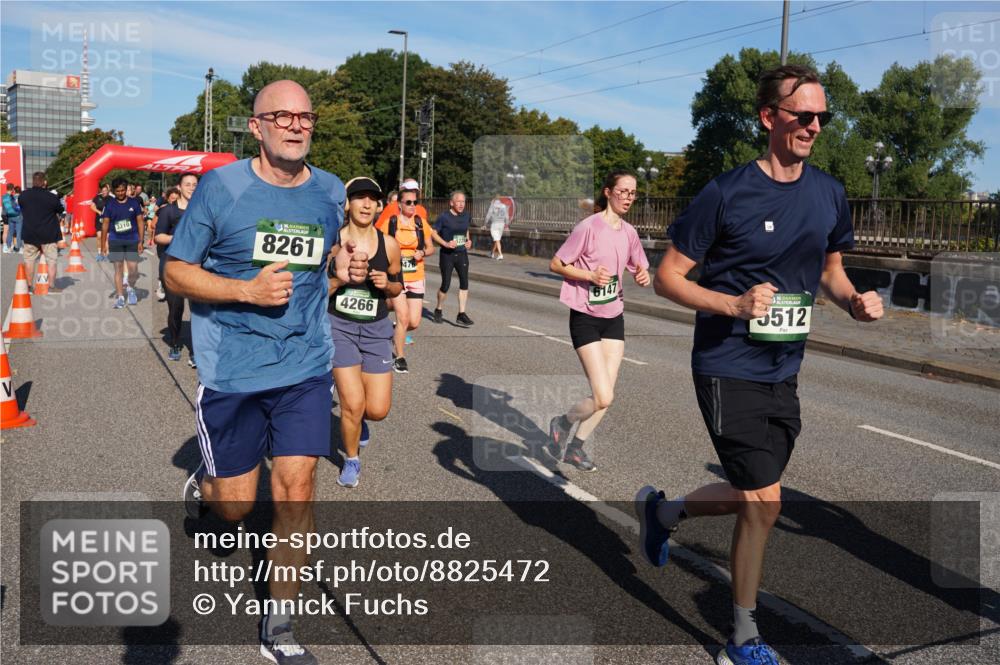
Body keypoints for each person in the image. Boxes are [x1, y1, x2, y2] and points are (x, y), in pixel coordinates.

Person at [636, 64, 884, 665]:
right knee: (765, 502)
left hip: (784, 366)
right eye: (804, 115)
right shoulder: (727, 193)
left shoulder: (828, 192)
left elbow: (829, 270)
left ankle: (663, 512)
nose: (815, 126)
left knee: (754, 492)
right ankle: (742, 636)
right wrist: (734, 304)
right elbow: (667, 277)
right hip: (727, 363)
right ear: (770, 117)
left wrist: (851, 300)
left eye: (823, 116)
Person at [165, 80, 342, 665]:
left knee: (296, 486)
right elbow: (175, 274)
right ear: (256, 126)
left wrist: (350, 270)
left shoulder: (331, 193)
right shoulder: (221, 188)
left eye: (305, 117)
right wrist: (245, 289)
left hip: (305, 365)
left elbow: (325, 268)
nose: (296, 125)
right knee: (236, 508)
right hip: (232, 370)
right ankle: (209, 486)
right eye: (281, 116)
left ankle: (281, 627)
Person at [545, 171, 650, 472]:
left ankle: (575, 448)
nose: (629, 197)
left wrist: (643, 274)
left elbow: (640, 266)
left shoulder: (629, 232)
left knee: (607, 397)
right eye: (624, 191)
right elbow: (556, 263)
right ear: (608, 192)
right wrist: (589, 275)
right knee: (602, 394)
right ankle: (562, 423)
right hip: (586, 317)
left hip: (614, 316)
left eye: (633, 193)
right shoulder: (587, 228)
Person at [328, 176, 402, 488]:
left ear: (379, 205)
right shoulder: (333, 242)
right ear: (348, 203)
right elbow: (319, 288)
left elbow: (400, 287)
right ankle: (351, 460)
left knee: (377, 409)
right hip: (339, 327)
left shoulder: (389, 244)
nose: (366, 203)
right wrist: (340, 278)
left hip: (377, 330)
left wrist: (388, 284)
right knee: (352, 404)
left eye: (372, 198)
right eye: (359, 197)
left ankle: (359, 423)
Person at [375, 185, 434, 373]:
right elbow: (378, 241)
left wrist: (422, 252)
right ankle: (400, 357)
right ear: (400, 204)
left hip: (416, 275)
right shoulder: (391, 222)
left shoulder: (420, 223)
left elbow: (431, 248)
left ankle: (390, 330)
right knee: (403, 316)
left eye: (415, 202)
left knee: (414, 322)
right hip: (397, 276)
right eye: (408, 202)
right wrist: (393, 255)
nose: (412, 205)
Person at [154, 178, 197, 364]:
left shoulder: (201, 210)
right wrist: (178, 238)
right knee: (176, 308)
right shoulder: (168, 211)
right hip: (172, 265)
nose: (192, 188)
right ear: (179, 187)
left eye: (195, 185)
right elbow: (158, 237)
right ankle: (175, 342)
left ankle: (196, 351)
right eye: (188, 184)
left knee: (199, 310)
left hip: (195, 266)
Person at [430, 190, 474, 325]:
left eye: (463, 202)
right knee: (446, 284)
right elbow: (433, 233)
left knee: (464, 283)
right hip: (447, 255)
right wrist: (445, 243)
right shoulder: (444, 217)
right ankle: (438, 308)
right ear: (451, 203)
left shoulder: (466, 215)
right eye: (458, 202)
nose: (461, 204)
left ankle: (461, 313)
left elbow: (466, 229)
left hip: (462, 254)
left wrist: (468, 241)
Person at [101, 177, 144, 309]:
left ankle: (130, 288)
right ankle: (120, 296)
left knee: (133, 269)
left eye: (123, 190)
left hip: (132, 239)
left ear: (126, 190)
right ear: (114, 191)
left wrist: (141, 241)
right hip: (115, 240)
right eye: (118, 191)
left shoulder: (134, 203)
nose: (120, 193)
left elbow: (140, 222)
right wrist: (103, 244)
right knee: (118, 269)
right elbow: (105, 225)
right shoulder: (109, 205)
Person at [18, 173, 64, 293]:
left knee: (29, 260)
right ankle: (52, 286)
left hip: (30, 233)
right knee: (51, 260)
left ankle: (28, 286)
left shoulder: (23, 196)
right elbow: (60, 209)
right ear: (45, 182)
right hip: (49, 233)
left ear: (33, 182)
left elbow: (22, 207)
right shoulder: (51, 197)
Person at [153, 188, 181, 301]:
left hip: (177, 245)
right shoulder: (163, 210)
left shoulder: (184, 209)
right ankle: (162, 284)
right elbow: (153, 224)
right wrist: (164, 225)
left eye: (176, 199)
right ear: (168, 199)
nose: (174, 201)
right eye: (172, 199)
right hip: (163, 243)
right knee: (164, 266)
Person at [90, 183, 111, 261]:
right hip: (99, 220)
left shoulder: (111, 199)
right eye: (103, 190)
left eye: (105, 190)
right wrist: (98, 212)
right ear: (101, 191)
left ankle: (107, 253)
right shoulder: (97, 197)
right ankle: (99, 253)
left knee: (107, 237)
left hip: (107, 220)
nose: (104, 192)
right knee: (99, 236)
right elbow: (91, 206)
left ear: (108, 191)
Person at [485, 194, 509, 260]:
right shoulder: (503, 206)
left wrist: (485, 224)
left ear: (494, 199)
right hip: (502, 224)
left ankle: (500, 254)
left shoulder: (492, 205)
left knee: (497, 239)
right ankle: (492, 253)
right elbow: (507, 216)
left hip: (495, 224)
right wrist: (506, 224)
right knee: (497, 239)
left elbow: (488, 215)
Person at [3, 184, 23, 254]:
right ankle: (20, 248)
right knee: (18, 232)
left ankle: (8, 248)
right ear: (12, 189)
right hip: (18, 216)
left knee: (10, 232)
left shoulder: (5, 196)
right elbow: (19, 207)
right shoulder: (18, 197)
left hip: (10, 217)